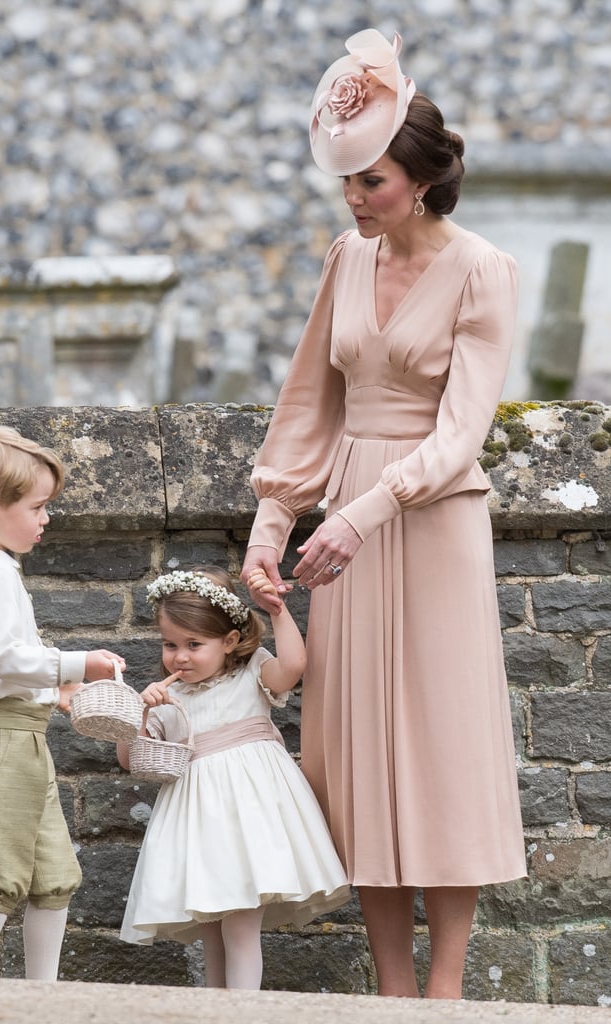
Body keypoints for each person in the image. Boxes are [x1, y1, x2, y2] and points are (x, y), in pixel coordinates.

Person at [241, 28, 526, 1000]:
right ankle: (391, 992)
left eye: (371, 181)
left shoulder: (482, 269)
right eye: (347, 181)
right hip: (344, 528)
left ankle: (444, 993)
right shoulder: (345, 259)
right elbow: (305, 402)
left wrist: (362, 510)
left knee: (441, 745)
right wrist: (270, 527)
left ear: (420, 179)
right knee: (355, 747)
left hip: (430, 518)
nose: (354, 198)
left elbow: (459, 436)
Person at [0, 423, 126, 980]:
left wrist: (57, 691)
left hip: (21, 735)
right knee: (2, 883)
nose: (46, 519)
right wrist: (77, 664)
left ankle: (41, 1001)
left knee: (53, 877)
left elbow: (10, 660)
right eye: (39, 507)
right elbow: (4, 658)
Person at [117, 567, 350, 989]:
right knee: (211, 932)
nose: (180, 656)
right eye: (170, 644)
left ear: (228, 642)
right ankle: (217, 1008)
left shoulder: (252, 673)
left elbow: (295, 665)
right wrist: (142, 712)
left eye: (194, 644)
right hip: (199, 825)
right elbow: (130, 757)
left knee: (240, 930)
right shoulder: (170, 699)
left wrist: (277, 610)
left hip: (252, 818)